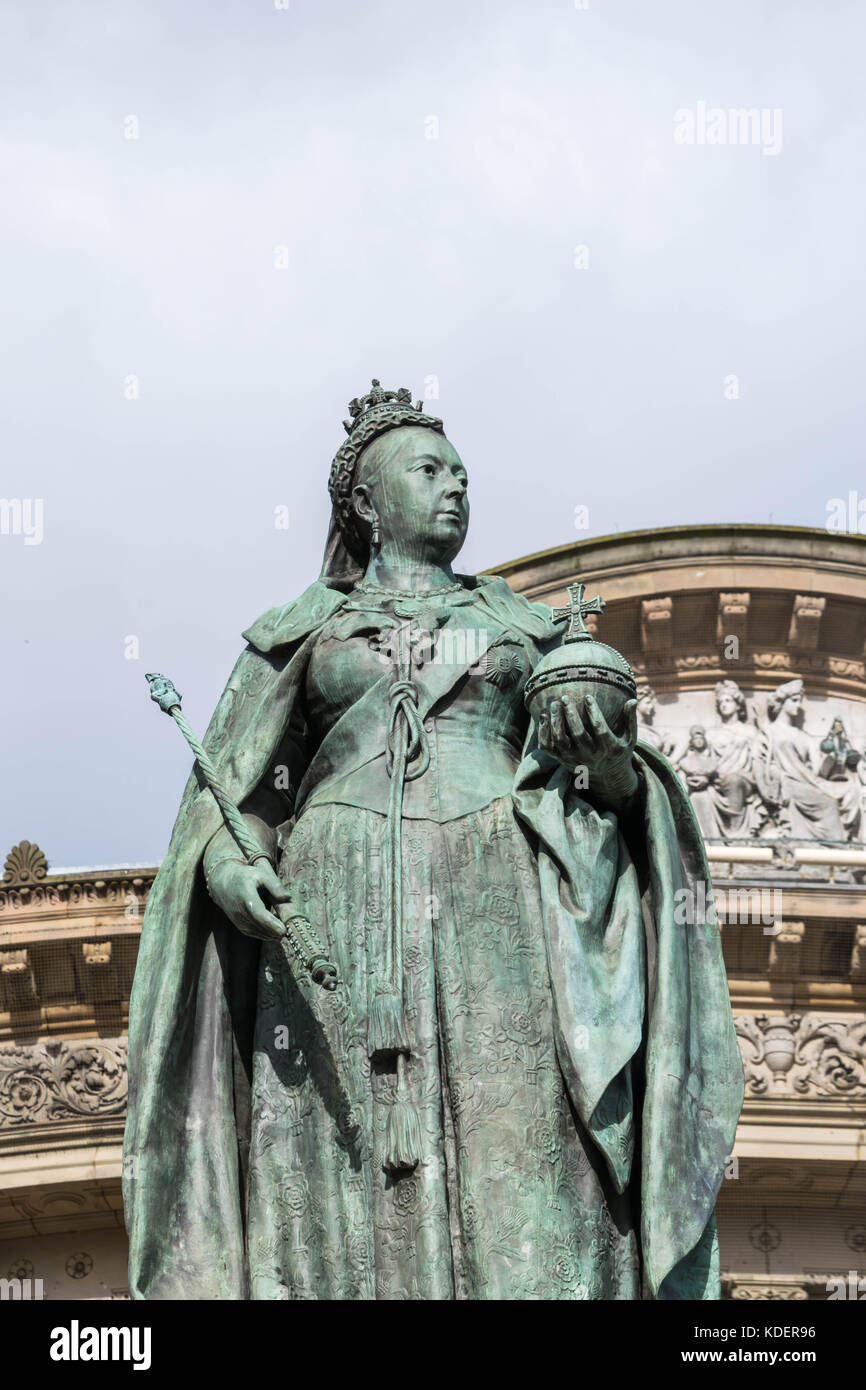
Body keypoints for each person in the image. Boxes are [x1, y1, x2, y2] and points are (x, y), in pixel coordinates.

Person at [123, 382, 742, 1300]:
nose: (455, 487)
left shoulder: (523, 629)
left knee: (528, 1156)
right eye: (429, 470)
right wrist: (227, 864)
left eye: (461, 473)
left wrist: (605, 761)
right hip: (330, 907)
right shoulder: (297, 634)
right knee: (336, 1168)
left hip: (501, 898)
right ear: (367, 504)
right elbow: (234, 795)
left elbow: (602, 791)